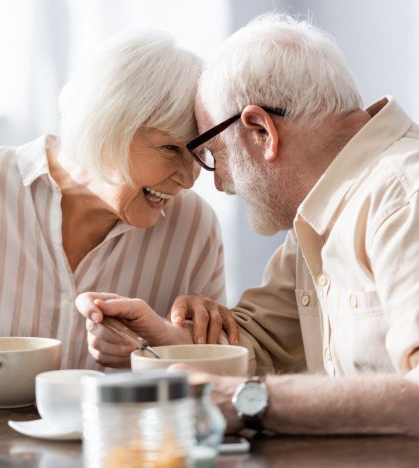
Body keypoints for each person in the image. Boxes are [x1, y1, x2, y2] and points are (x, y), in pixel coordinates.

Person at [77, 13, 419, 436]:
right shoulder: (318, 219)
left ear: (261, 131)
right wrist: (165, 336)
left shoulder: (405, 199)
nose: (218, 182)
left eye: (213, 154)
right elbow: (260, 344)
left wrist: (251, 401)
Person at [0, 29, 232, 388]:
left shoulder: (194, 228)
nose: (188, 178)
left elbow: (220, 389)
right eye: (171, 149)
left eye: (199, 153)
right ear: (107, 127)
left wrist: (164, 350)